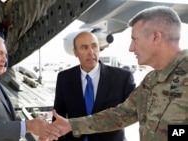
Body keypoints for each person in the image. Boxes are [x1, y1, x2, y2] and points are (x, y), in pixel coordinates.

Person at [43, 6, 188, 141]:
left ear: (156, 37)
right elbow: (122, 114)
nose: (131, 48)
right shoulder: (151, 81)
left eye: (135, 39)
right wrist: (72, 125)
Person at [53, 31, 135, 141]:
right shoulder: (64, 78)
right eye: (84, 47)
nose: (91, 52)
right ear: (75, 52)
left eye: (94, 46)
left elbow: (135, 112)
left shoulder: (122, 78)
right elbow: (58, 116)